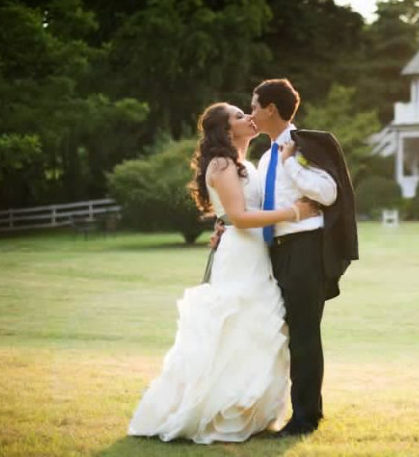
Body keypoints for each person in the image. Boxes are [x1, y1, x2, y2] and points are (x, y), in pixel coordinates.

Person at [127, 102, 320, 444]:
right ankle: (212, 410)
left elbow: (235, 214)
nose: (248, 116)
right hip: (240, 256)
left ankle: (247, 410)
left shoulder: (246, 164)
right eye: (237, 115)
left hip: (256, 254)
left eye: (247, 111)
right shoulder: (222, 163)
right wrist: (294, 212)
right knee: (234, 326)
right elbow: (241, 217)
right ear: (225, 129)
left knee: (255, 328)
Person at [248, 78, 358, 437]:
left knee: (304, 335)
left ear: (271, 110)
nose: (250, 112)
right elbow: (259, 206)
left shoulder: (304, 146)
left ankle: (306, 417)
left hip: (305, 252)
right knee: (278, 333)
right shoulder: (264, 158)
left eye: (253, 106)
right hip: (273, 254)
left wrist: (291, 164)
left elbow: (328, 193)